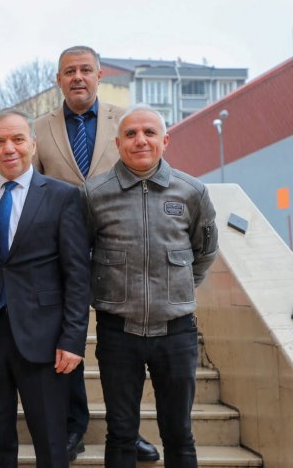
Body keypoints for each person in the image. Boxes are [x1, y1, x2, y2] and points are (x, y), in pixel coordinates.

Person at [32, 45, 160, 462]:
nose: (78, 77)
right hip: (57, 250)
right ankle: (74, 426)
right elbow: (33, 189)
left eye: (85, 69)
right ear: (58, 79)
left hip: (117, 247)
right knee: (65, 337)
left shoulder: (125, 122)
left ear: (99, 75)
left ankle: (127, 430)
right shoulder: (39, 128)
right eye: (69, 71)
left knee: (122, 345)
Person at [81, 104, 218, 468]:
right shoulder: (93, 194)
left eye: (149, 132)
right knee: (121, 433)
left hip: (176, 332)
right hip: (117, 333)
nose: (140, 140)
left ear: (165, 140)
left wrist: (179, 288)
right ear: (118, 143)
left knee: (179, 433)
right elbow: (80, 256)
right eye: (131, 134)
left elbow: (205, 250)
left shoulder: (192, 192)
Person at [0, 109, 90, 468]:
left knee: (50, 440)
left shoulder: (63, 196)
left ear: (33, 144)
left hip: (45, 338)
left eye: (17, 139)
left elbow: (77, 274)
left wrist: (73, 339)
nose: (9, 148)